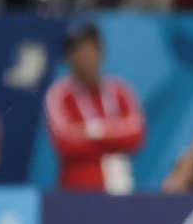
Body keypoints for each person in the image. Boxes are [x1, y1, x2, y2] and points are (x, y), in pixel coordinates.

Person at [44, 21, 144, 192]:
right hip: (77, 192)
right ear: (69, 57)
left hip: (120, 188)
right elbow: (65, 142)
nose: (86, 56)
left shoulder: (120, 91)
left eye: (91, 49)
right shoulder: (59, 95)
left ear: (101, 52)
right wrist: (114, 136)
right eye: (79, 50)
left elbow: (136, 135)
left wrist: (92, 130)